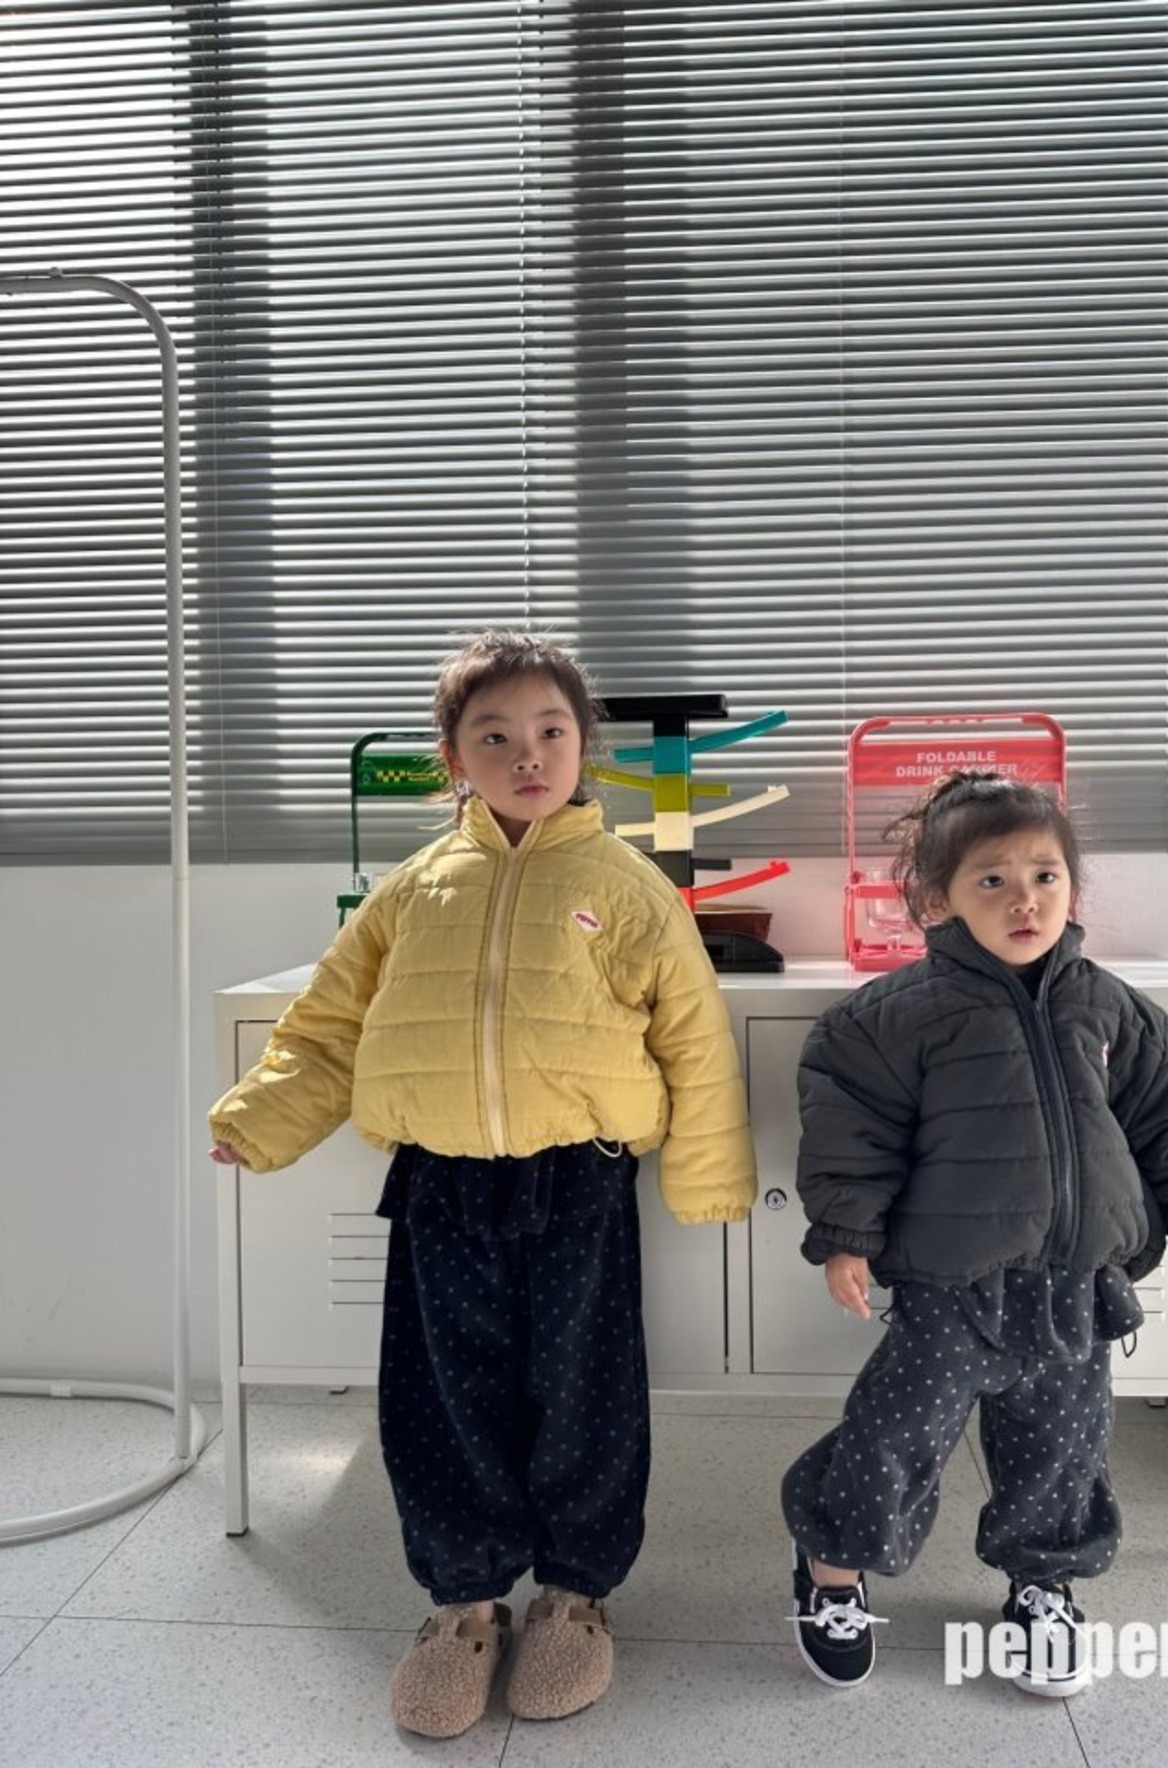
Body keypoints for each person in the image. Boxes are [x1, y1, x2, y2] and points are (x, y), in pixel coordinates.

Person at [208, 630, 756, 1738]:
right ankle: (462, 1602)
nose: (526, 754)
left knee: (583, 1394)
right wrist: (262, 1116)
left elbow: (694, 1038)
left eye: (550, 731)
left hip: (580, 1181)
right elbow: (329, 1021)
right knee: (442, 1395)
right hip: (438, 1182)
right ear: (454, 758)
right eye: (493, 736)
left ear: (585, 747)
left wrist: (707, 1175)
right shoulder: (413, 890)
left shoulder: (628, 886)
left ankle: (575, 1595)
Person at [781, 771, 1168, 1698]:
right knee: (896, 1433)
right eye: (992, 880)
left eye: (1045, 876)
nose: (1025, 900)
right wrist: (846, 1235)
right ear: (938, 899)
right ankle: (832, 1567)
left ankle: (1043, 1582)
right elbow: (852, 1136)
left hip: (1078, 1283)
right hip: (951, 1288)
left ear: (1072, 888)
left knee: (1062, 1448)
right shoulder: (893, 1018)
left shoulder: (1111, 1007)